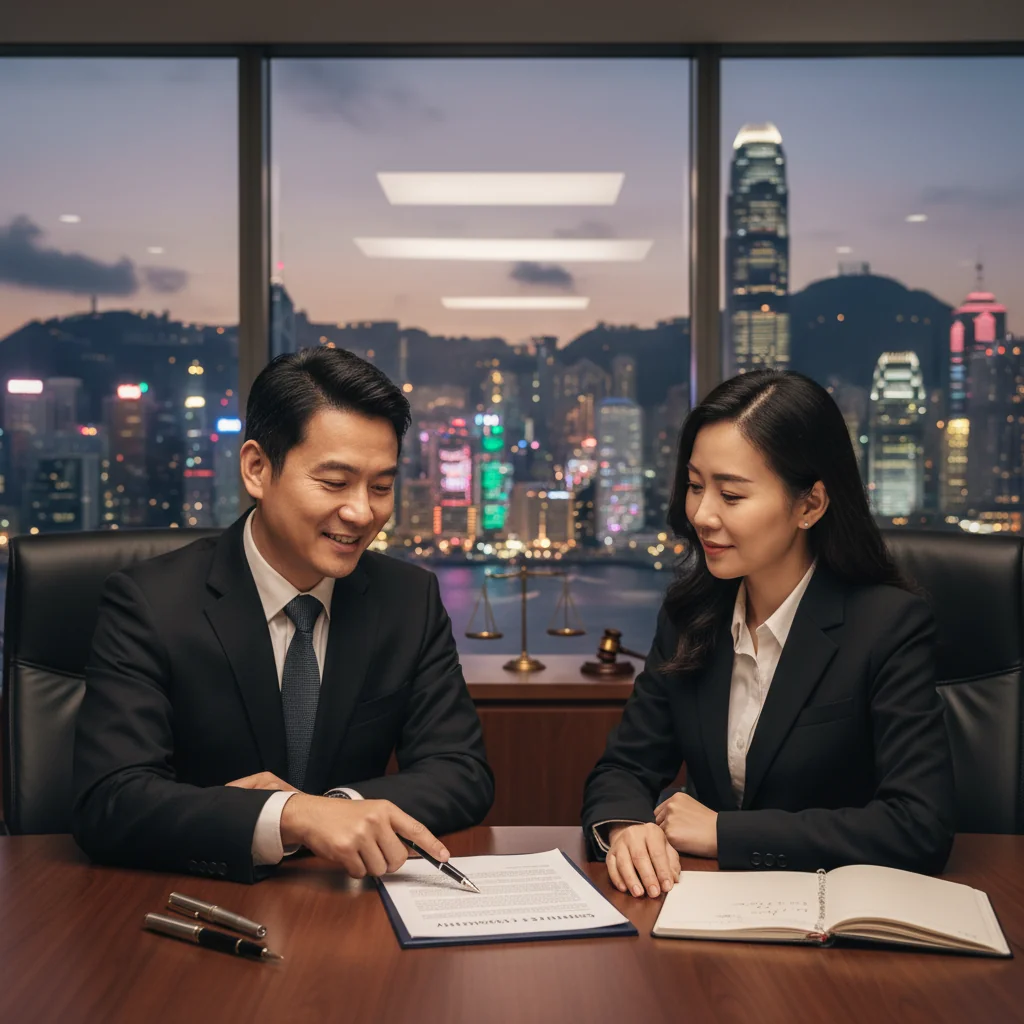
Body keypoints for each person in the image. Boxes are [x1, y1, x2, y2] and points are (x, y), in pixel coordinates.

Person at [74, 347, 494, 883]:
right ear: (257, 469)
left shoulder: (408, 599)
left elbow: (462, 772)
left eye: (382, 487)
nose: (363, 513)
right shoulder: (150, 603)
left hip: (346, 909)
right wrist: (289, 817)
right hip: (197, 904)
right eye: (335, 483)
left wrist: (336, 809)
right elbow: (111, 800)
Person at [582, 369, 955, 900]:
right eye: (694, 486)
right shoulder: (691, 615)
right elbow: (624, 767)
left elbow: (918, 826)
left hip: (841, 921)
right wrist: (625, 829)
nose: (702, 515)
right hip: (709, 913)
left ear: (810, 505)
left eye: (730, 495)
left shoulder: (887, 626)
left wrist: (723, 834)